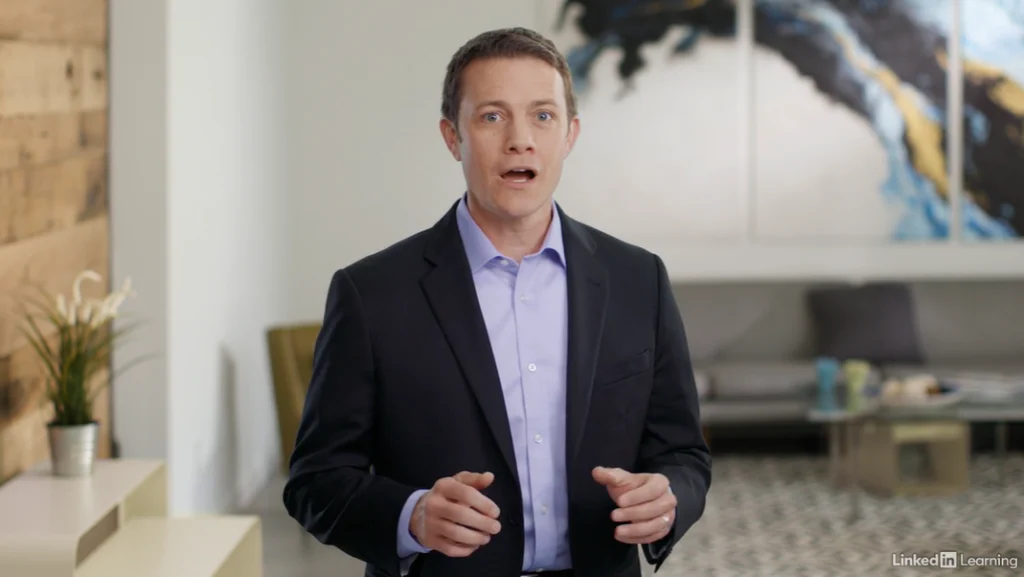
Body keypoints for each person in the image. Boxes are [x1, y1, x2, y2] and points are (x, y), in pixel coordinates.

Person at [283, 27, 711, 577]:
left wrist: (669, 495)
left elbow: (684, 455)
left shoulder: (638, 279)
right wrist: (411, 517)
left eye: (542, 116)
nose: (520, 140)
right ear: (452, 136)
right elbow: (316, 482)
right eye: (491, 116)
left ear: (570, 135)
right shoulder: (370, 293)